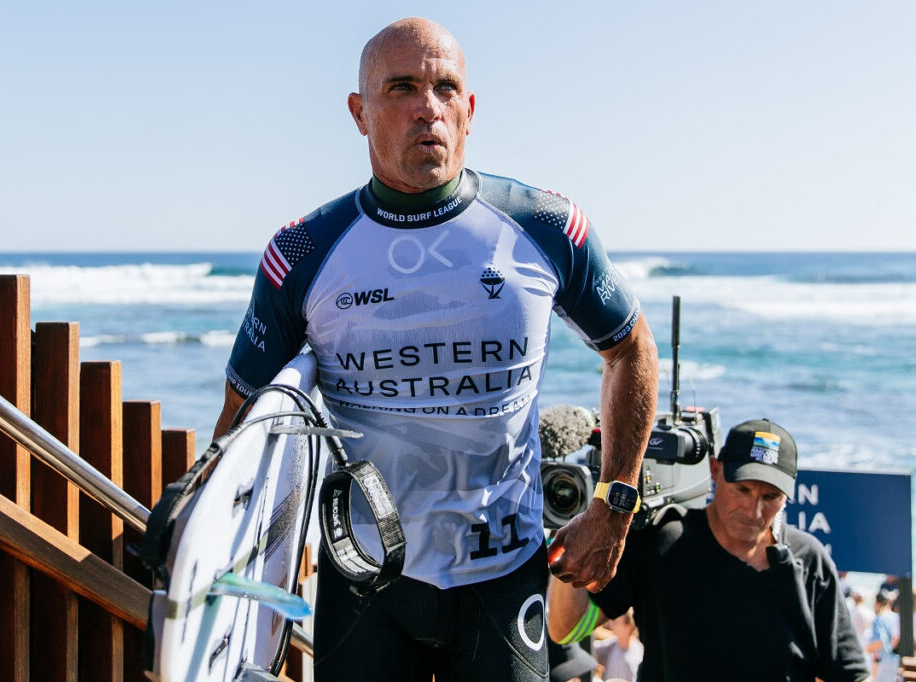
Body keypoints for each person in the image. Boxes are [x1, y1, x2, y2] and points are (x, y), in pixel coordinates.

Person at [215, 16, 659, 682]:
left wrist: (613, 504)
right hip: (365, 574)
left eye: (445, 87)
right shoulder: (303, 253)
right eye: (401, 87)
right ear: (359, 113)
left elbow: (630, 349)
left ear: (470, 110)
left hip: (503, 574)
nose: (428, 107)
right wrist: (236, 548)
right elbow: (244, 420)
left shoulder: (545, 227)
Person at [547, 419, 870, 682]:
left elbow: (850, 673)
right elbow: (567, 629)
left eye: (770, 497)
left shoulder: (808, 559)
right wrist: (575, 537)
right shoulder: (663, 541)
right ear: (716, 471)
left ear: (788, 495)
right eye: (742, 490)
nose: (753, 510)